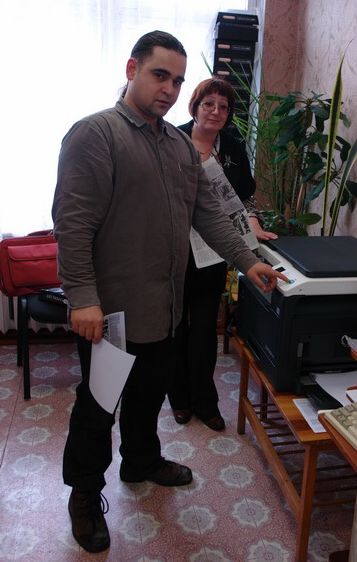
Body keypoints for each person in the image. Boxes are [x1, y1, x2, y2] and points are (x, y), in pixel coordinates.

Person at [52, 30, 284, 554]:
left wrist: (248, 261)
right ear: (131, 69)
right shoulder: (96, 135)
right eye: (160, 75)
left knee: (148, 395)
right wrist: (83, 297)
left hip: (166, 307)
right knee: (98, 407)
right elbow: (73, 223)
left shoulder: (180, 146)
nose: (170, 89)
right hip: (112, 315)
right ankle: (84, 494)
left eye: (178, 80)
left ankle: (141, 461)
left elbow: (209, 214)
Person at [168, 78, 277, 431]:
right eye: (208, 104)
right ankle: (179, 398)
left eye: (223, 107)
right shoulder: (171, 140)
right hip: (174, 250)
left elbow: (244, 196)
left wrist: (253, 223)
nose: (216, 112)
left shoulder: (232, 146)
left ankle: (205, 402)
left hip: (214, 249)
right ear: (195, 106)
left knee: (204, 328)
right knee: (174, 327)